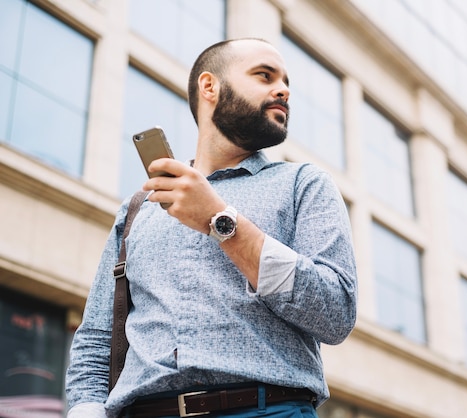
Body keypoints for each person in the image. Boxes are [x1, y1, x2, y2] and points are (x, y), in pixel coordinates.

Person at [65, 38, 358, 418]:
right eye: (264, 75)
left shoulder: (304, 184)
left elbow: (335, 314)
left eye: (286, 82)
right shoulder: (139, 208)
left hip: (267, 410)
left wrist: (221, 221)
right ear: (210, 86)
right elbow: (96, 339)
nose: (283, 89)